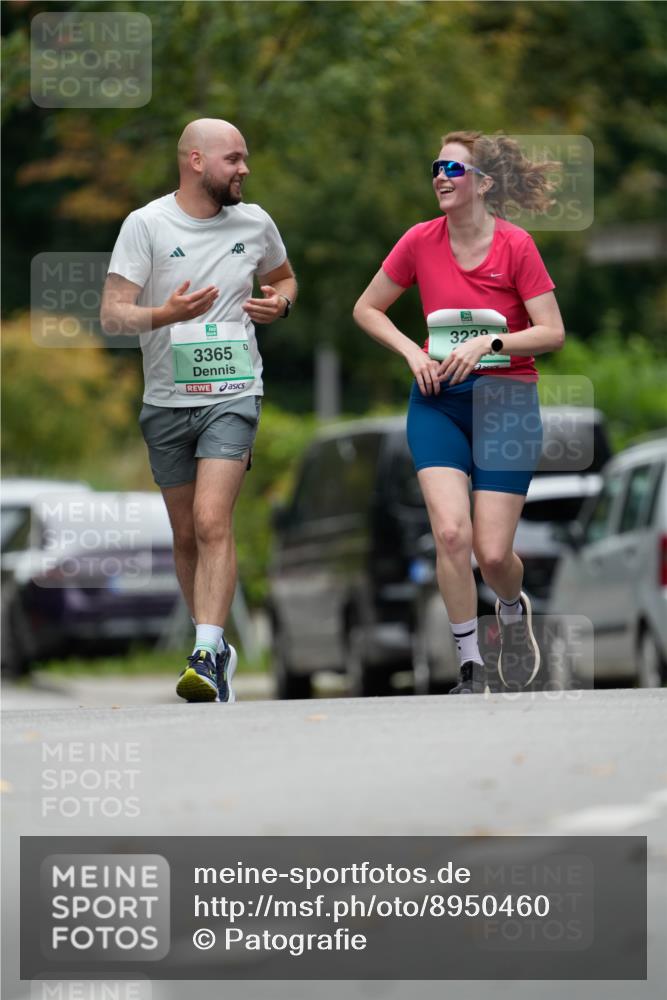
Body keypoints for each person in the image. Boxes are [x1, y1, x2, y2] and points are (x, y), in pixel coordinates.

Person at [353, 130, 564, 694]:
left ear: (484, 183)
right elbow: (367, 308)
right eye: (437, 168)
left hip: (506, 403)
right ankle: (469, 665)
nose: (441, 178)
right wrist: (411, 352)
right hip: (438, 401)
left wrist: (489, 344)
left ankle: (512, 610)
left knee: (492, 555)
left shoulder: (516, 245)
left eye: (454, 169)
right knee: (450, 534)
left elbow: (552, 332)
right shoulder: (419, 241)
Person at [101, 118, 296, 703]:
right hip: (165, 400)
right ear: (195, 161)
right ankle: (215, 647)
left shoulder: (255, 222)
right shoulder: (147, 224)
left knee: (212, 520)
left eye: (244, 158)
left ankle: (206, 652)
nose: (244, 169)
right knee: (185, 533)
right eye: (233, 159)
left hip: (234, 393)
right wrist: (166, 314)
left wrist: (280, 304)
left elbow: (284, 278)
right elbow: (114, 313)